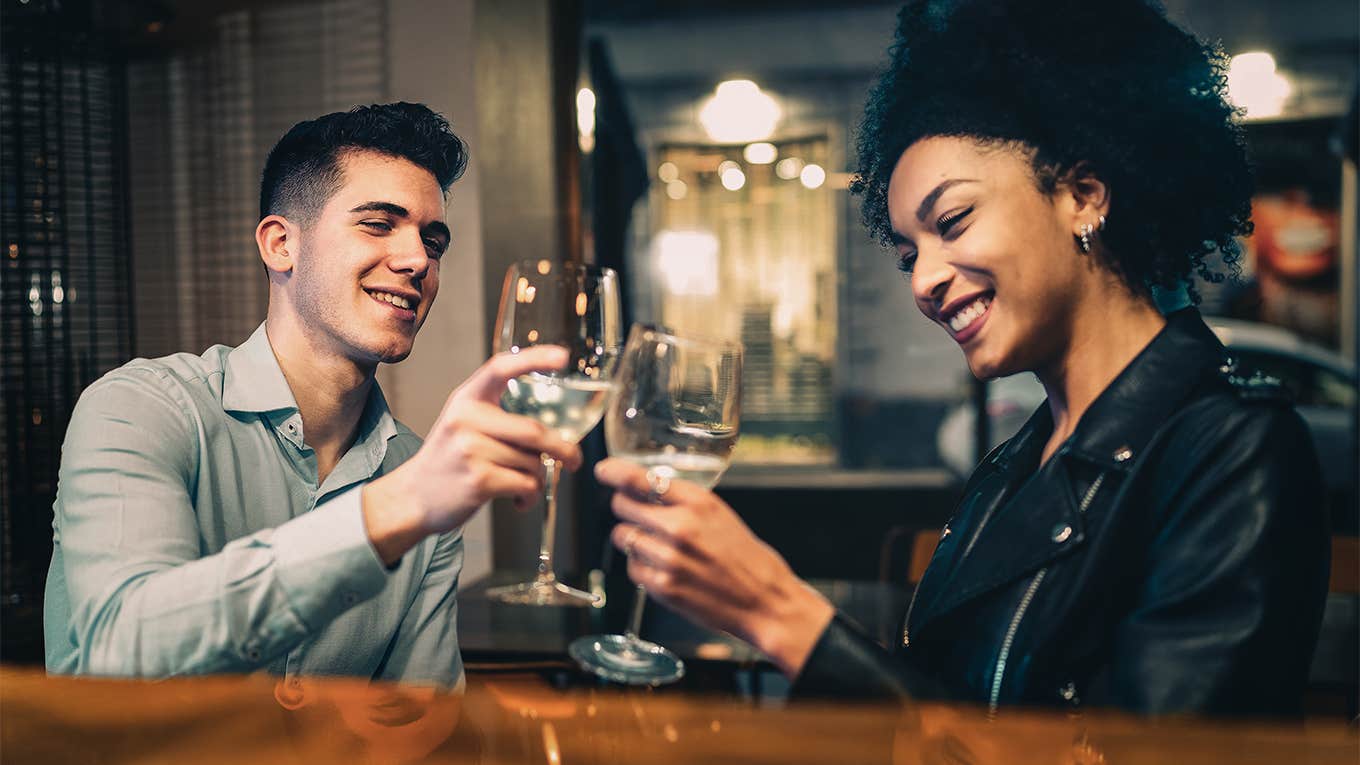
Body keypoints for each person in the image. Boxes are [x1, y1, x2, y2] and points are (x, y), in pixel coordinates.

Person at [594, 0, 1331, 716]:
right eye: (910, 250)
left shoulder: (1235, 455)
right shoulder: (1017, 466)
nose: (923, 280)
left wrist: (784, 614)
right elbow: (933, 704)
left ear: (1083, 196)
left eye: (953, 221)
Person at [43, 103, 580, 688]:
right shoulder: (140, 408)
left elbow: (419, 725)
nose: (418, 260)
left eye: (434, 241)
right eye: (378, 223)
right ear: (280, 246)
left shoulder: (417, 472)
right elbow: (123, 650)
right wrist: (388, 514)